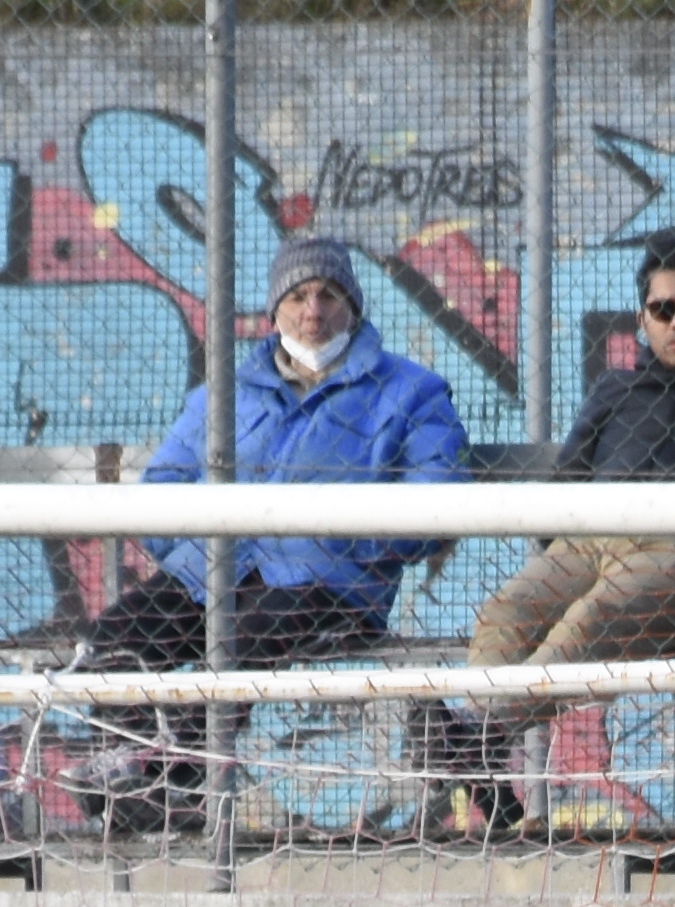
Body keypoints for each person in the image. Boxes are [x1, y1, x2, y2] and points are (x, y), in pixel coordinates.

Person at [430, 234, 675, 833]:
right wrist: (564, 553)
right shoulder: (616, 391)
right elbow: (566, 487)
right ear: (642, 316)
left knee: (592, 617)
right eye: (663, 309)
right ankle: (483, 748)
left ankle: (477, 734)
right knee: (505, 612)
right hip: (593, 541)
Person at [81, 235, 469, 840]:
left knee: (237, 647)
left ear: (354, 308)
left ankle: (177, 783)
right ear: (275, 312)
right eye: (297, 297)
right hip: (217, 573)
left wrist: (341, 544)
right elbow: (165, 483)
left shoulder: (410, 392)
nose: (313, 311)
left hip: (327, 589)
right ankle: (124, 772)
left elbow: (436, 501)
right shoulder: (231, 392)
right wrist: (196, 550)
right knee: (115, 638)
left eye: (329, 295)